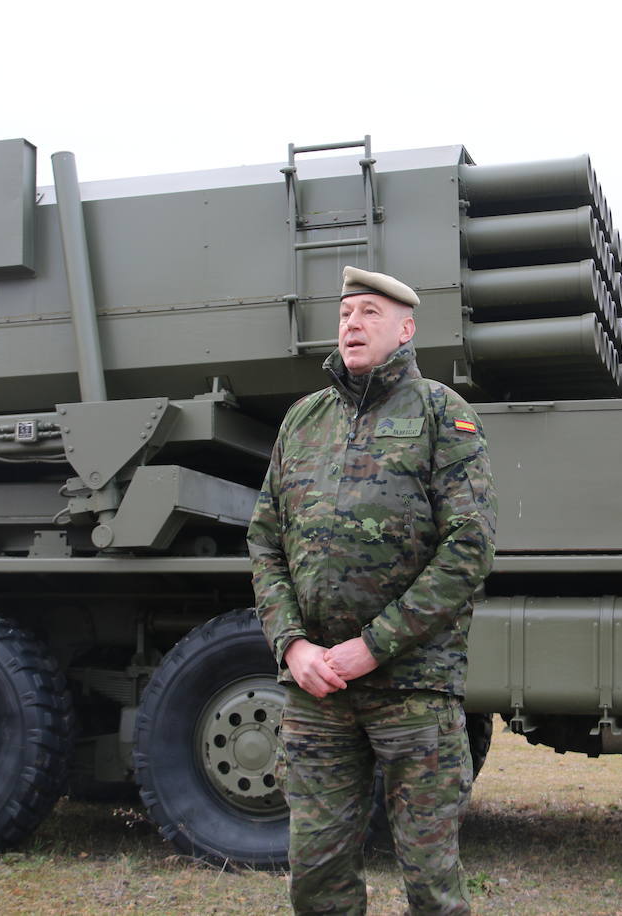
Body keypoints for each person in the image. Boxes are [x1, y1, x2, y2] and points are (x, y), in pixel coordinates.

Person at [248, 265, 497, 915]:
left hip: (412, 687)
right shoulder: (304, 422)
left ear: (406, 328)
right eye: (345, 314)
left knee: (430, 877)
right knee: (317, 873)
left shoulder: (443, 414)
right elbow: (265, 542)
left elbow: (469, 547)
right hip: (317, 690)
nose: (352, 324)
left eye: (370, 313)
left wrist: (373, 645)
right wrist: (293, 646)